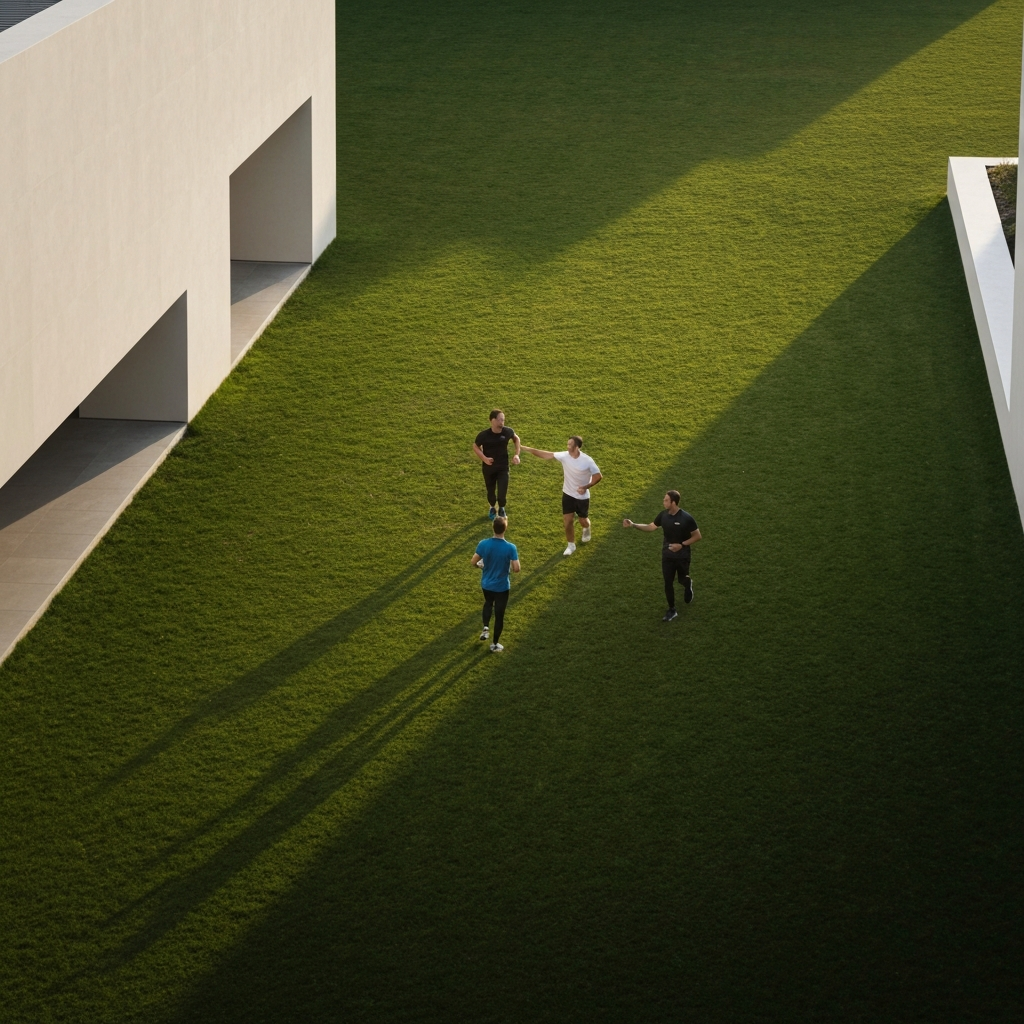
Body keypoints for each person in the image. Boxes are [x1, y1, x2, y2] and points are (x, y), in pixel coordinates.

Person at [623, 490, 701, 621]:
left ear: (673, 502)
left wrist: (681, 545)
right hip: (667, 555)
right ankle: (672, 610)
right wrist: (633, 525)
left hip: (682, 555)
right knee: (668, 582)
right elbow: (651, 527)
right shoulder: (663, 516)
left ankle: (687, 584)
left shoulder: (686, 518)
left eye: (666, 500)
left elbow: (697, 536)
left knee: (682, 579)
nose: (663, 502)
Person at [521, 435, 602, 556]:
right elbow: (546, 454)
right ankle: (571, 545)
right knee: (567, 521)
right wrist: (525, 448)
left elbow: (598, 476)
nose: (567, 446)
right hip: (568, 494)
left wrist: (586, 487)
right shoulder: (565, 456)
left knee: (583, 520)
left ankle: (586, 528)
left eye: (570, 445)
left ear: (577, 447)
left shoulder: (587, 461)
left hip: (582, 497)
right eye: (568, 444)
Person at [471, 516, 521, 652]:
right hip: (502, 587)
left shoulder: (483, 544)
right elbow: (516, 569)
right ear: (505, 529)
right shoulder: (510, 547)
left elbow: (473, 562)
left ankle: (485, 627)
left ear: (493, 527)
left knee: (488, 603)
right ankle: (494, 644)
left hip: (486, 584)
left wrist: (481, 566)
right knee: (499, 614)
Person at [473, 410, 521, 521]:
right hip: (488, 468)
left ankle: (502, 508)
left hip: (503, 468)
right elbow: (475, 446)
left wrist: (517, 455)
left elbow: (516, 439)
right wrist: (484, 458)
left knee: (502, 492)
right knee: (490, 491)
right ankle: (492, 507)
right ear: (492, 420)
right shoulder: (484, 435)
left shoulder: (507, 432)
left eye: (503, 420)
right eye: (500, 420)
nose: (502, 422)